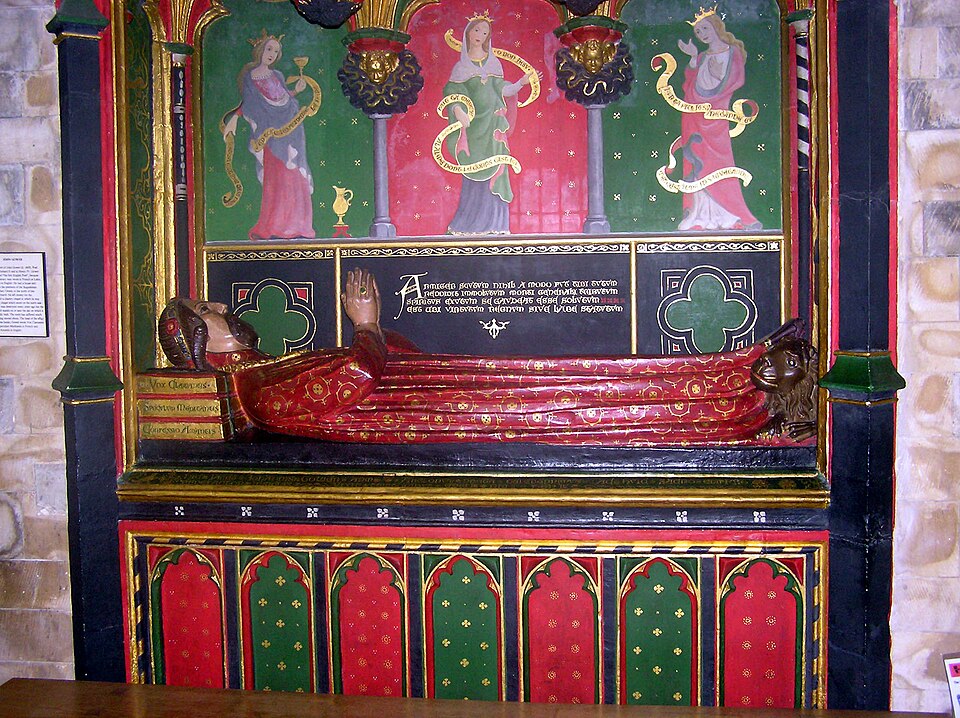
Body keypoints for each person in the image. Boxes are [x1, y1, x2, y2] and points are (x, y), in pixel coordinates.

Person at [157, 270, 816, 446]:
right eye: (208, 311)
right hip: (430, 413)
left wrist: (381, 337)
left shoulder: (261, 372)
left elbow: (368, 367)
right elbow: (350, 383)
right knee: (581, 403)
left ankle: (742, 370)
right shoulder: (255, 392)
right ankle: (739, 401)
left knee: (580, 381)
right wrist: (366, 326)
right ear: (204, 343)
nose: (222, 308)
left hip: (431, 391)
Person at [442, 14, 537, 235]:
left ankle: (496, 224)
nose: (480, 35)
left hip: (494, 126)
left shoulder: (494, 63)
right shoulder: (461, 68)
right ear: (468, 33)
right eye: (477, 30)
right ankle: (467, 225)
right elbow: (453, 92)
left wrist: (520, 83)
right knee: (473, 171)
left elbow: (503, 90)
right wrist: (458, 110)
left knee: (497, 171)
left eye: (485, 32)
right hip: (473, 129)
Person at [222, 32, 316, 240]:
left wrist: (295, 91)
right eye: (269, 49)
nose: (272, 54)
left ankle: (298, 225)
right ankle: (275, 225)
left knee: (294, 175)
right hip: (270, 135)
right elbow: (251, 104)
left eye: (276, 51)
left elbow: (283, 98)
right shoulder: (251, 77)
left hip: (290, 132)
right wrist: (235, 118)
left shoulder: (278, 76)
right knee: (277, 178)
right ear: (260, 51)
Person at [676, 11, 761, 231]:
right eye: (698, 32)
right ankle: (699, 215)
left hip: (717, 116)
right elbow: (689, 84)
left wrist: (715, 75)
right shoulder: (702, 57)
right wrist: (693, 58)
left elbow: (735, 81)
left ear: (716, 26)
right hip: (695, 115)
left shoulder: (733, 52)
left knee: (718, 161)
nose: (702, 34)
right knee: (696, 158)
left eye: (705, 28)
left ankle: (728, 214)